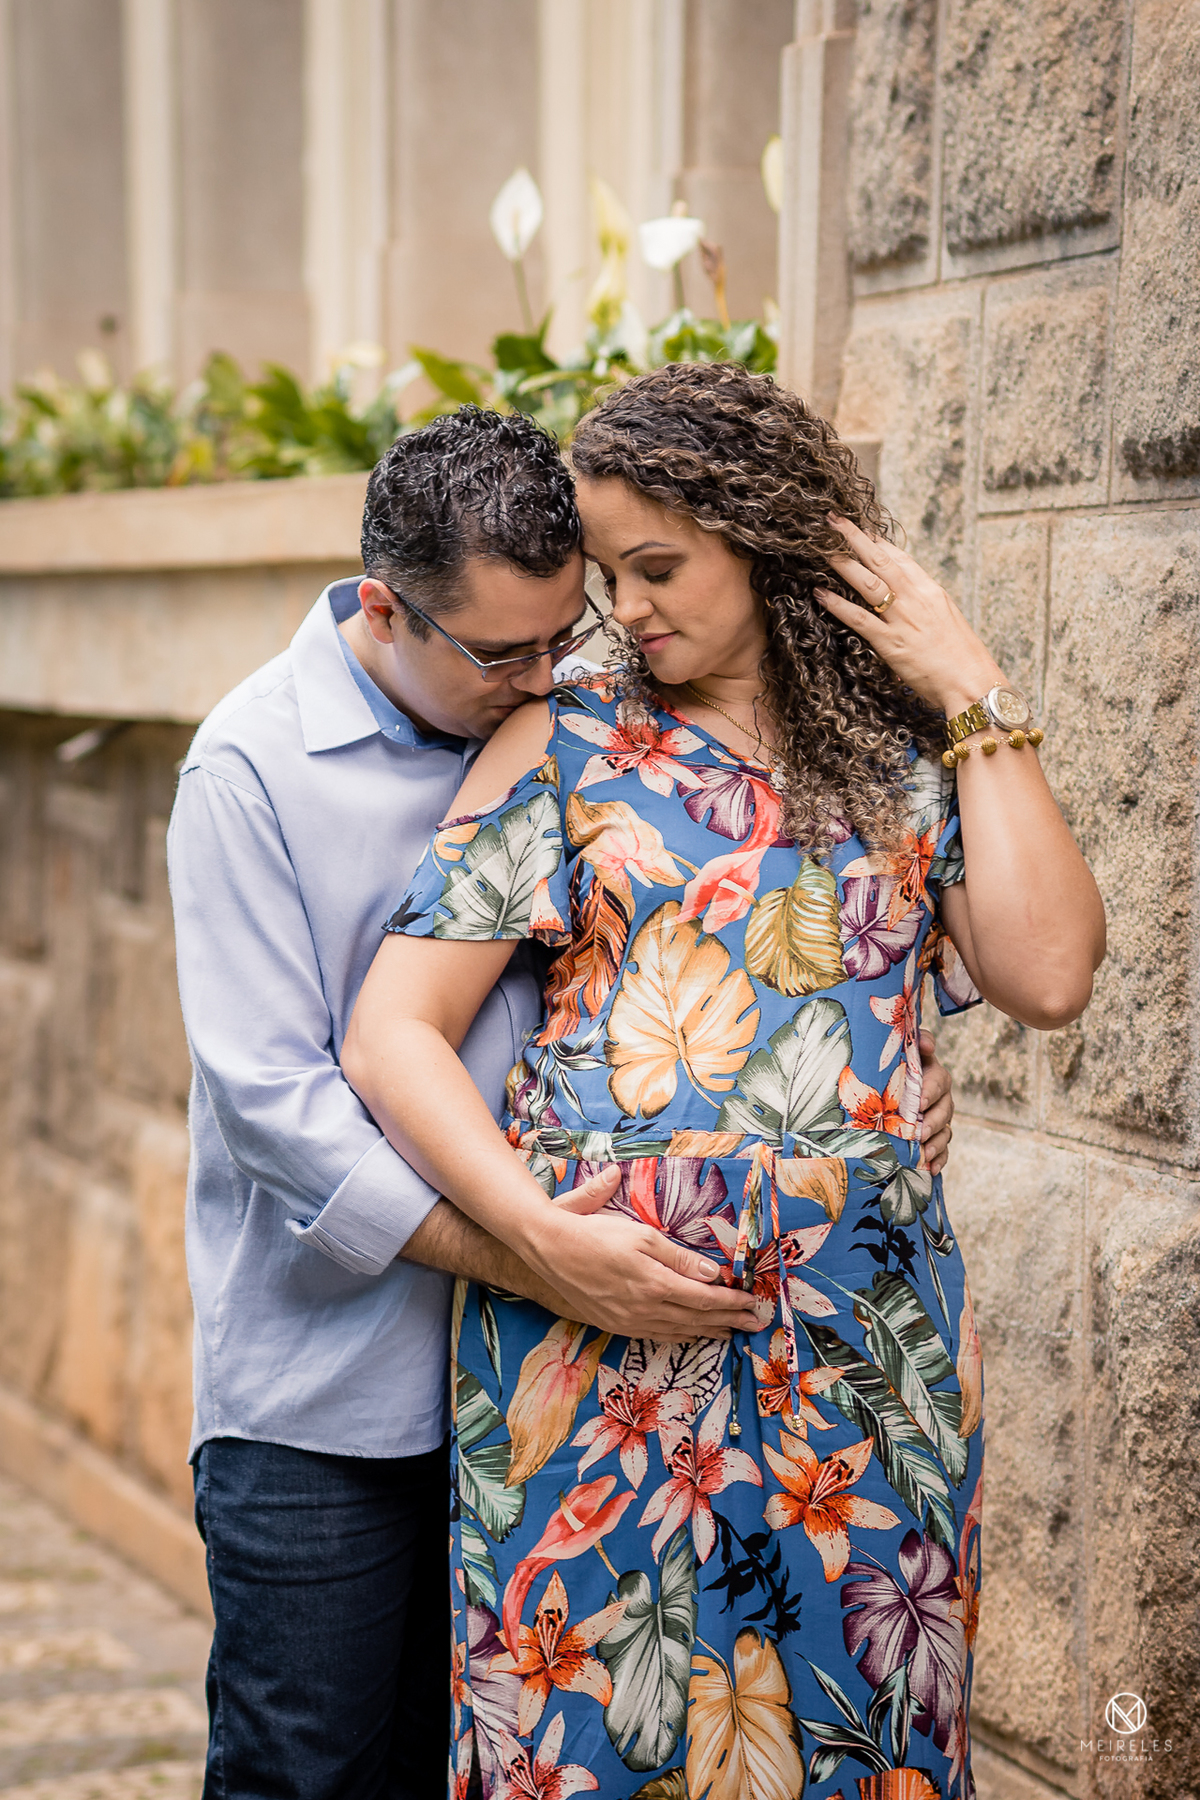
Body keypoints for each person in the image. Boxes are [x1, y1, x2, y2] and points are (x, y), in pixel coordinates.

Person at [167, 401, 963, 1799]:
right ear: (383, 606)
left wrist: (862, 1073)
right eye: (504, 652)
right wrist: (534, 1245)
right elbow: (275, 1107)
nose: (549, 673)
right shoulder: (250, 768)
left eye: (567, 626)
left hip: (550, 1375)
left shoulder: (559, 716)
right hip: (334, 1395)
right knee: (311, 1770)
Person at [342, 365, 1105, 1799]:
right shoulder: (561, 742)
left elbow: (1051, 975)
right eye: (609, 577)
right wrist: (540, 1236)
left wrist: (965, 685)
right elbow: (394, 1036)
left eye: (658, 568)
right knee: (585, 1749)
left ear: (760, 535)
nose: (626, 611)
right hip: (595, 1347)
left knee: (854, 1741)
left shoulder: (897, 759)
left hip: (863, 1350)